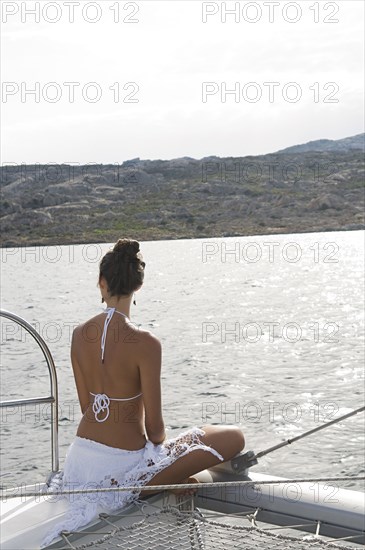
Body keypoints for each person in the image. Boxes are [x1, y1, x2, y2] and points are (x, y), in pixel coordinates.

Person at [42, 238, 244, 547]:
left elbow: (88, 408)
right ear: (138, 286)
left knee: (181, 444)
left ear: (102, 283)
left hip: (79, 461)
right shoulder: (147, 343)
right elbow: (155, 432)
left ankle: (154, 479)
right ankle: (154, 482)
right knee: (233, 437)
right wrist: (165, 452)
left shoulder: (78, 335)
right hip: (120, 470)